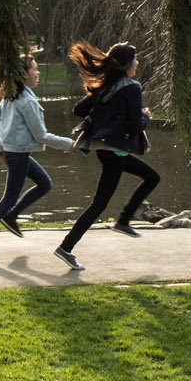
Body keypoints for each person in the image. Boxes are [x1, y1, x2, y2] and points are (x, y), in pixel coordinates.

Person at [54, 41, 159, 271]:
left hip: (105, 150)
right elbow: (134, 124)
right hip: (115, 151)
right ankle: (66, 247)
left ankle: (123, 221)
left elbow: (79, 110)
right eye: (135, 59)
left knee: (152, 177)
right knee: (99, 203)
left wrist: (103, 105)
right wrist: (146, 117)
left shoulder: (105, 85)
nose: (138, 63)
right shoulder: (132, 87)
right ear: (127, 64)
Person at [0, 55, 74, 257]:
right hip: (16, 154)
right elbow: (41, 135)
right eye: (34, 69)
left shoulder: (13, 95)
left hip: (16, 152)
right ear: (24, 75)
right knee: (9, 198)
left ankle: (12, 216)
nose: (38, 72)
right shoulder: (26, 101)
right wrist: (68, 143)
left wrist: (0, 148)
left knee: (44, 183)